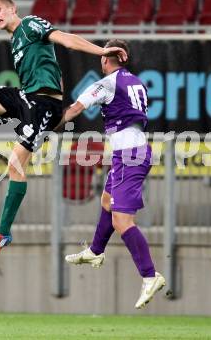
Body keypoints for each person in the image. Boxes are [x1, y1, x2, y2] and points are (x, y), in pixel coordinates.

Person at [0, 0, 127, 258]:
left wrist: (102, 50)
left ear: (12, 8)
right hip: (27, 97)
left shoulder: (29, 24)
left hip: (43, 105)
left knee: (16, 162)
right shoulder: (16, 40)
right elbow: (54, 70)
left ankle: (3, 232)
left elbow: (66, 40)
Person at [58, 38, 165, 309]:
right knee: (107, 201)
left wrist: (44, 123)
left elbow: (74, 111)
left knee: (122, 222)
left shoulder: (106, 83)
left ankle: (150, 275)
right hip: (128, 153)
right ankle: (95, 250)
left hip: (130, 155)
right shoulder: (136, 81)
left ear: (105, 59)